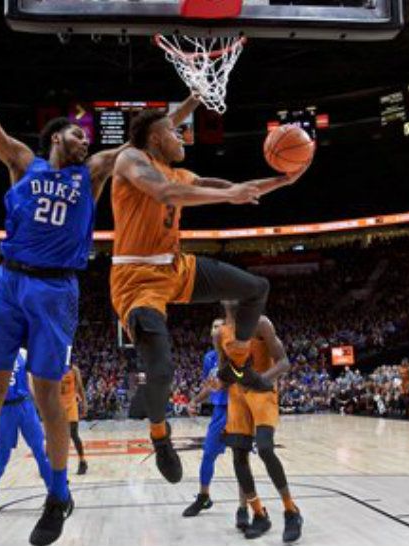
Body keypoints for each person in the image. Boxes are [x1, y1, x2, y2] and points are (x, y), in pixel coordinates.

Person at [0, 8, 199, 545]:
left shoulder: (95, 173)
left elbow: (154, 136)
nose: (86, 141)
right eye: (78, 136)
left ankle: (57, 493)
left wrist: (193, 99)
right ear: (57, 138)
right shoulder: (21, 161)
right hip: (9, 282)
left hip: (58, 287)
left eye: (88, 138)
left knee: (46, 396)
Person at [110, 110, 311, 482]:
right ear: (155, 139)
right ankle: (159, 436)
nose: (181, 135)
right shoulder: (131, 159)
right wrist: (232, 193)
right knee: (161, 370)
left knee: (255, 288)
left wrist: (282, 181)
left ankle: (237, 365)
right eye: (174, 130)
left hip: (177, 268)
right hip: (137, 280)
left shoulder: (182, 175)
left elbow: (230, 188)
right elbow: (165, 193)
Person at [216, 302, 302, 542]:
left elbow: (283, 361)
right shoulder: (220, 333)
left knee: (265, 448)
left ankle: (291, 511)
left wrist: (261, 379)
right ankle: (258, 514)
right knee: (239, 456)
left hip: (263, 390)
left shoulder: (261, 323)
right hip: (237, 396)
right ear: (221, 298)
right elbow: (224, 370)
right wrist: (211, 387)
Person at [183, 318, 249, 530]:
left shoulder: (236, 353)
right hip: (220, 411)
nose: (217, 328)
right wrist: (194, 401)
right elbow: (210, 387)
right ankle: (204, 496)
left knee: (241, 460)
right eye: (213, 325)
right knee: (208, 454)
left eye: (221, 325)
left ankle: (243, 508)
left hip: (239, 410)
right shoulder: (209, 358)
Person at [0, 349, 53, 502]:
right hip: (4, 410)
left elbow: (30, 382)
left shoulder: (23, 352)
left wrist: (42, 409)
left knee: (40, 452)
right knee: (3, 457)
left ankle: (51, 491)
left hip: (25, 406)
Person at [60, 364, 88, 475]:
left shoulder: (74, 369)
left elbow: (80, 387)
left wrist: (84, 403)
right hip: (58, 404)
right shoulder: (53, 366)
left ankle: (82, 461)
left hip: (71, 404)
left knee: (73, 434)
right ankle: (55, 463)